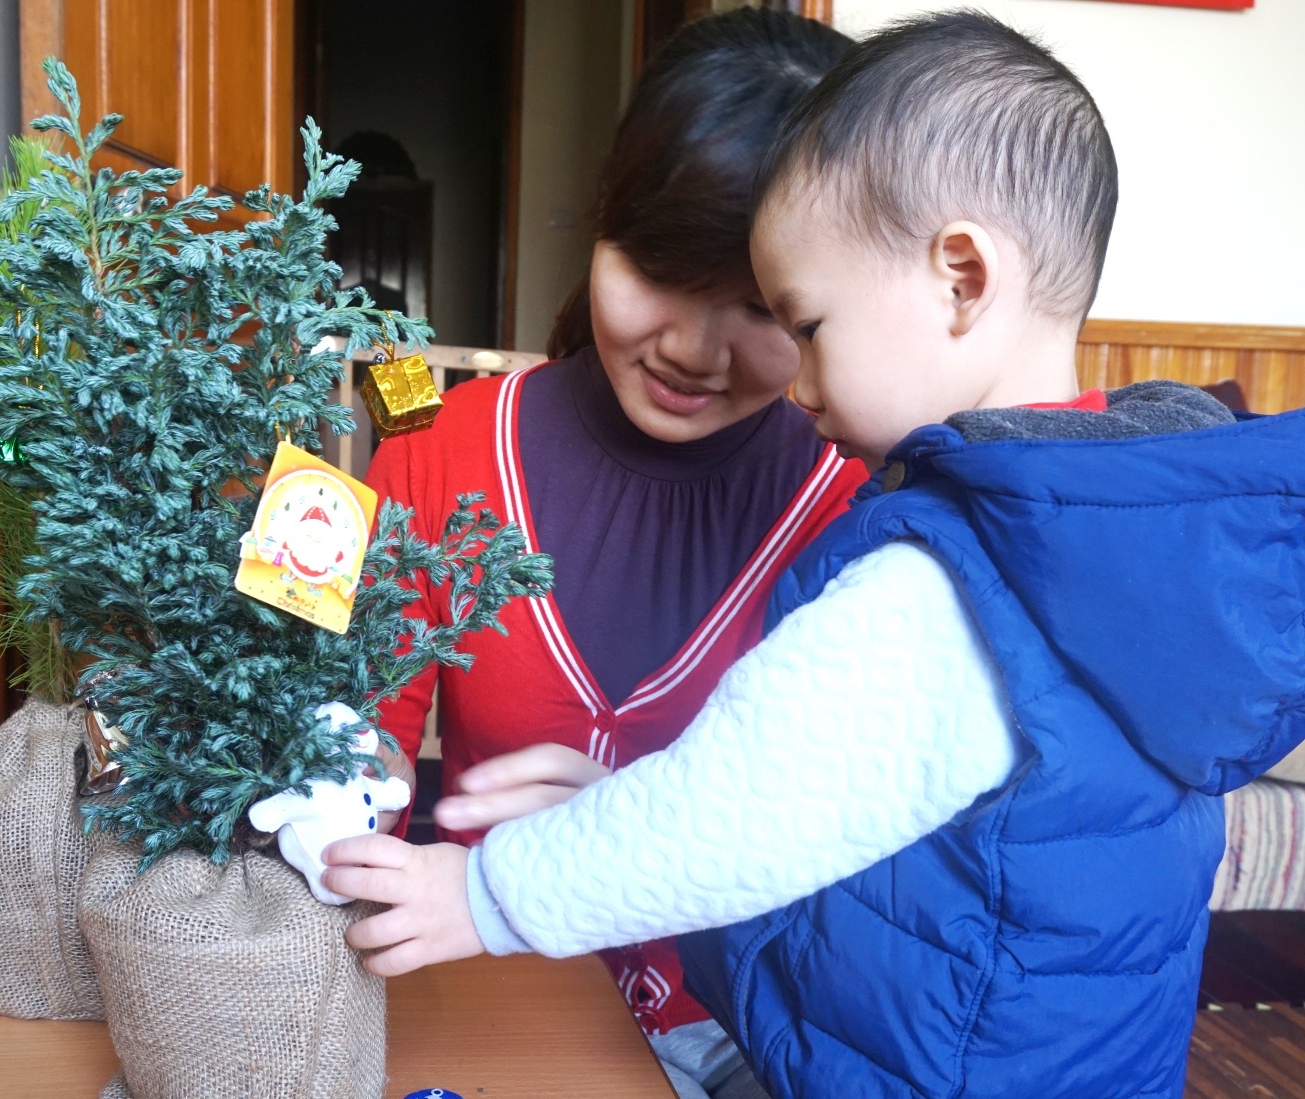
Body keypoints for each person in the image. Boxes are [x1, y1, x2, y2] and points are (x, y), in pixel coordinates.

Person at [327, 11, 1305, 1099]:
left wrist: (481, 892)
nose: (701, 350)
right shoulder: (1124, 523)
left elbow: (743, 809)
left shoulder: (926, 563)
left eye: (782, 316)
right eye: (657, 267)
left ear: (961, 278)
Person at [360, 9, 863, 1098]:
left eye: (760, 307)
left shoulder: (857, 506)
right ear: (604, 220)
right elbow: (361, 749)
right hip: (489, 1004)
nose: (691, 348)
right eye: (660, 268)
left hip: (754, 1031)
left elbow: (866, 868)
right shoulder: (438, 451)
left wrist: (639, 829)